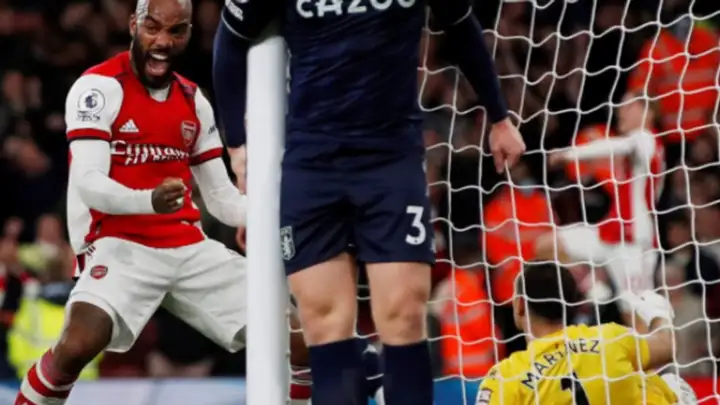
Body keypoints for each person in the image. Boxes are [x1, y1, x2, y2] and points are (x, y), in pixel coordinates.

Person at [213, 1, 525, 404]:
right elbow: (230, 39)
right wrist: (237, 146)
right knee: (325, 323)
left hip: (390, 163)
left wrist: (499, 117)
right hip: (313, 168)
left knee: (403, 314)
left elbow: (461, 25)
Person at [12, 1, 312, 404]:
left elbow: (221, 201)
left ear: (189, 33)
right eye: (152, 27)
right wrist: (149, 201)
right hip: (119, 244)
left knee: (302, 339)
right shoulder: (98, 87)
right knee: (77, 344)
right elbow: (89, 183)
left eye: (176, 31)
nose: (163, 41)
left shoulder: (194, 100)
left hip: (187, 246)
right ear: (133, 25)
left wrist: (285, 214)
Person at [475, 264, 697, 405]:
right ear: (571, 303)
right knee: (668, 384)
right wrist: (658, 312)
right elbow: (667, 346)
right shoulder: (610, 338)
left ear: (520, 305)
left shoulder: (505, 377)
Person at [540, 93, 665, 325]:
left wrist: (569, 154)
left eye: (627, 106)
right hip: (609, 233)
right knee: (546, 246)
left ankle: (600, 287)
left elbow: (619, 145)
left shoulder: (646, 139)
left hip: (633, 245)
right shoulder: (638, 149)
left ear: (648, 112)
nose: (620, 111)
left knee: (637, 321)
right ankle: (594, 285)